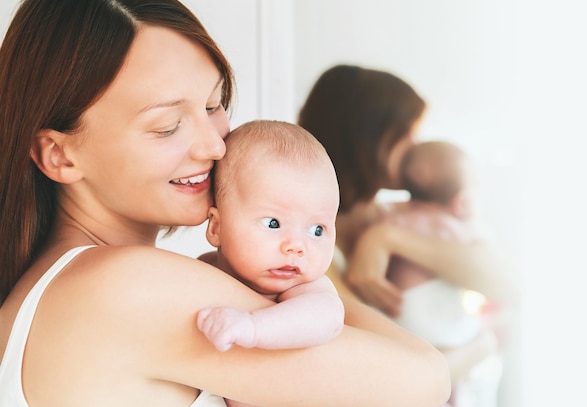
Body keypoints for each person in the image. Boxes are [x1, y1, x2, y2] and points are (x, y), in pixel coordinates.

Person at [0, 1, 451, 406]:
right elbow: (424, 380)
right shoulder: (126, 286)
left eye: (214, 104)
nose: (214, 146)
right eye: (167, 126)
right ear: (58, 154)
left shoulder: (48, 288)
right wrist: (305, 276)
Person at [298, 64, 518, 386]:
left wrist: (386, 238)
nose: (417, 144)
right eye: (406, 132)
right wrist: (483, 345)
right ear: (367, 135)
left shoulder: (396, 216)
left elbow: (509, 283)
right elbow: (400, 377)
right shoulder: (312, 247)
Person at [197, 120, 344, 355]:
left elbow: (327, 320)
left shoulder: (309, 291)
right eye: (273, 224)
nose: (296, 246)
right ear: (216, 227)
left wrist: (253, 328)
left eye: (317, 230)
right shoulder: (202, 270)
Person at [384, 140, 503, 407]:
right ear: (461, 201)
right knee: (467, 364)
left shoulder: (396, 219)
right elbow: (487, 257)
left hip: (406, 327)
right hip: (443, 330)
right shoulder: (453, 230)